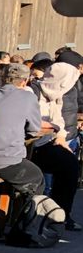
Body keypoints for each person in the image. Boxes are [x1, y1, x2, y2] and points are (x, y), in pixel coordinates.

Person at [0, 61, 47, 201]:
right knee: (37, 178)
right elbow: (34, 129)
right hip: (8, 161)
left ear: (2, 79)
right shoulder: (28, 98)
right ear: (24, 81)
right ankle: (23, 213)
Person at [30, 58, 82, 227]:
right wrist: (53, 128)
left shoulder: (56, 96)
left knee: (71, 164)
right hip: (29, 144)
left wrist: (60, 136)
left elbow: (58, 120)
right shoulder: (33, 91)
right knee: (66, 165)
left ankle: (60, 213)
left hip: (48, 141)